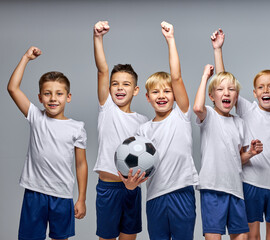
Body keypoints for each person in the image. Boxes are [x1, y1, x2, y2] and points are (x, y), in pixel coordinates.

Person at [211, 29, 270, 240]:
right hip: (250, 183)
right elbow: (224, 83)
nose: (265, 90)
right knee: (252, 235)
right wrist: (218, 50)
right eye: (261, 87)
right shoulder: (247, 109)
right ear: (254, 93)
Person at [7, 46, 88, 240]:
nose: (53, 98)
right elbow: (12, 88)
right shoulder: (36, 116)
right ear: (40, 97)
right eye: (47, 93)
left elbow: (80, 164)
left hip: (62, 195)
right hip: (35, 193)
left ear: (68, 97)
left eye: (59, 94)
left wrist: (81, 198)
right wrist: (25, 58)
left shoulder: (77, 127)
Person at [137, 21, 199, 240]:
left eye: (167, 91)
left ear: (175, 96)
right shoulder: (143, 130)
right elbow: (139, 170)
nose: (162, 95)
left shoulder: (181, 115)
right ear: (147, 97)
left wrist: (170, 40)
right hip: (155, 197)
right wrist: (129, 181)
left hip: (182, 192)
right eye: (155, 92)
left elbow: (176, 77)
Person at [92, 21, 148, 240]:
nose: (119, 88)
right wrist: (98, 37)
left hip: (131, 190)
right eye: (115, 84)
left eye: (125, 84)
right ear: (108, 89)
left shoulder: (143, 122)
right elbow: (102, 70)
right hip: (108, 189)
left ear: (135, 90)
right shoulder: (107, 108)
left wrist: (137, 183)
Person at [194, 64, 263, 240]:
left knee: (241, 236)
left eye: (231, 90)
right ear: (211, 96)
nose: (226, 93)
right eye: (220, 89)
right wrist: (204, 77)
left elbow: (237, 159)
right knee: (213, 236)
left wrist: (251, 153)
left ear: (236, 96)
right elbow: (197, 108)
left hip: (235, 189)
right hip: (212, 188)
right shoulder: (208, 115)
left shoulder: (239, 123)